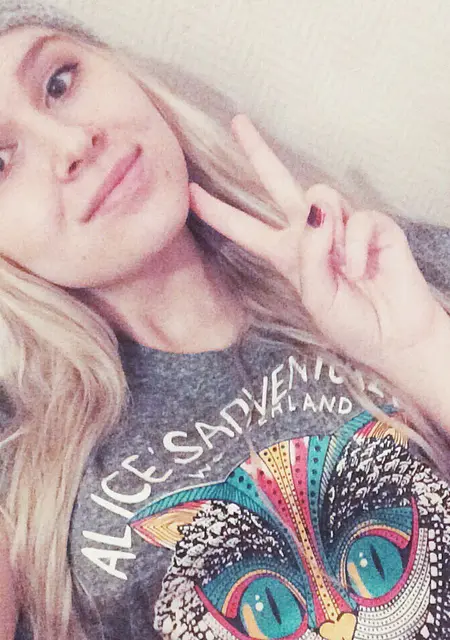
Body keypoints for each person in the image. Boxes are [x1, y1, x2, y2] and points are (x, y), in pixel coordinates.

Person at [0, 1, 448, 639]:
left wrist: (420, 348)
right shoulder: (21, 464)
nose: (73, 144)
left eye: (59, 82)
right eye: (0, 162)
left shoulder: (386, 267)